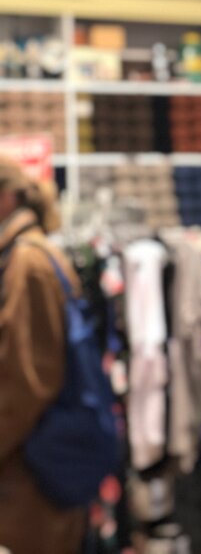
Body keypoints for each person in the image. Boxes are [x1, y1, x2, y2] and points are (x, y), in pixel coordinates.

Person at [0, 157, 87, 554]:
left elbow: (28, 382)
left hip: (33, 477)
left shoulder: (27, 263)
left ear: (7, 198)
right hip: (33, 467)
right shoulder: (23, 256)